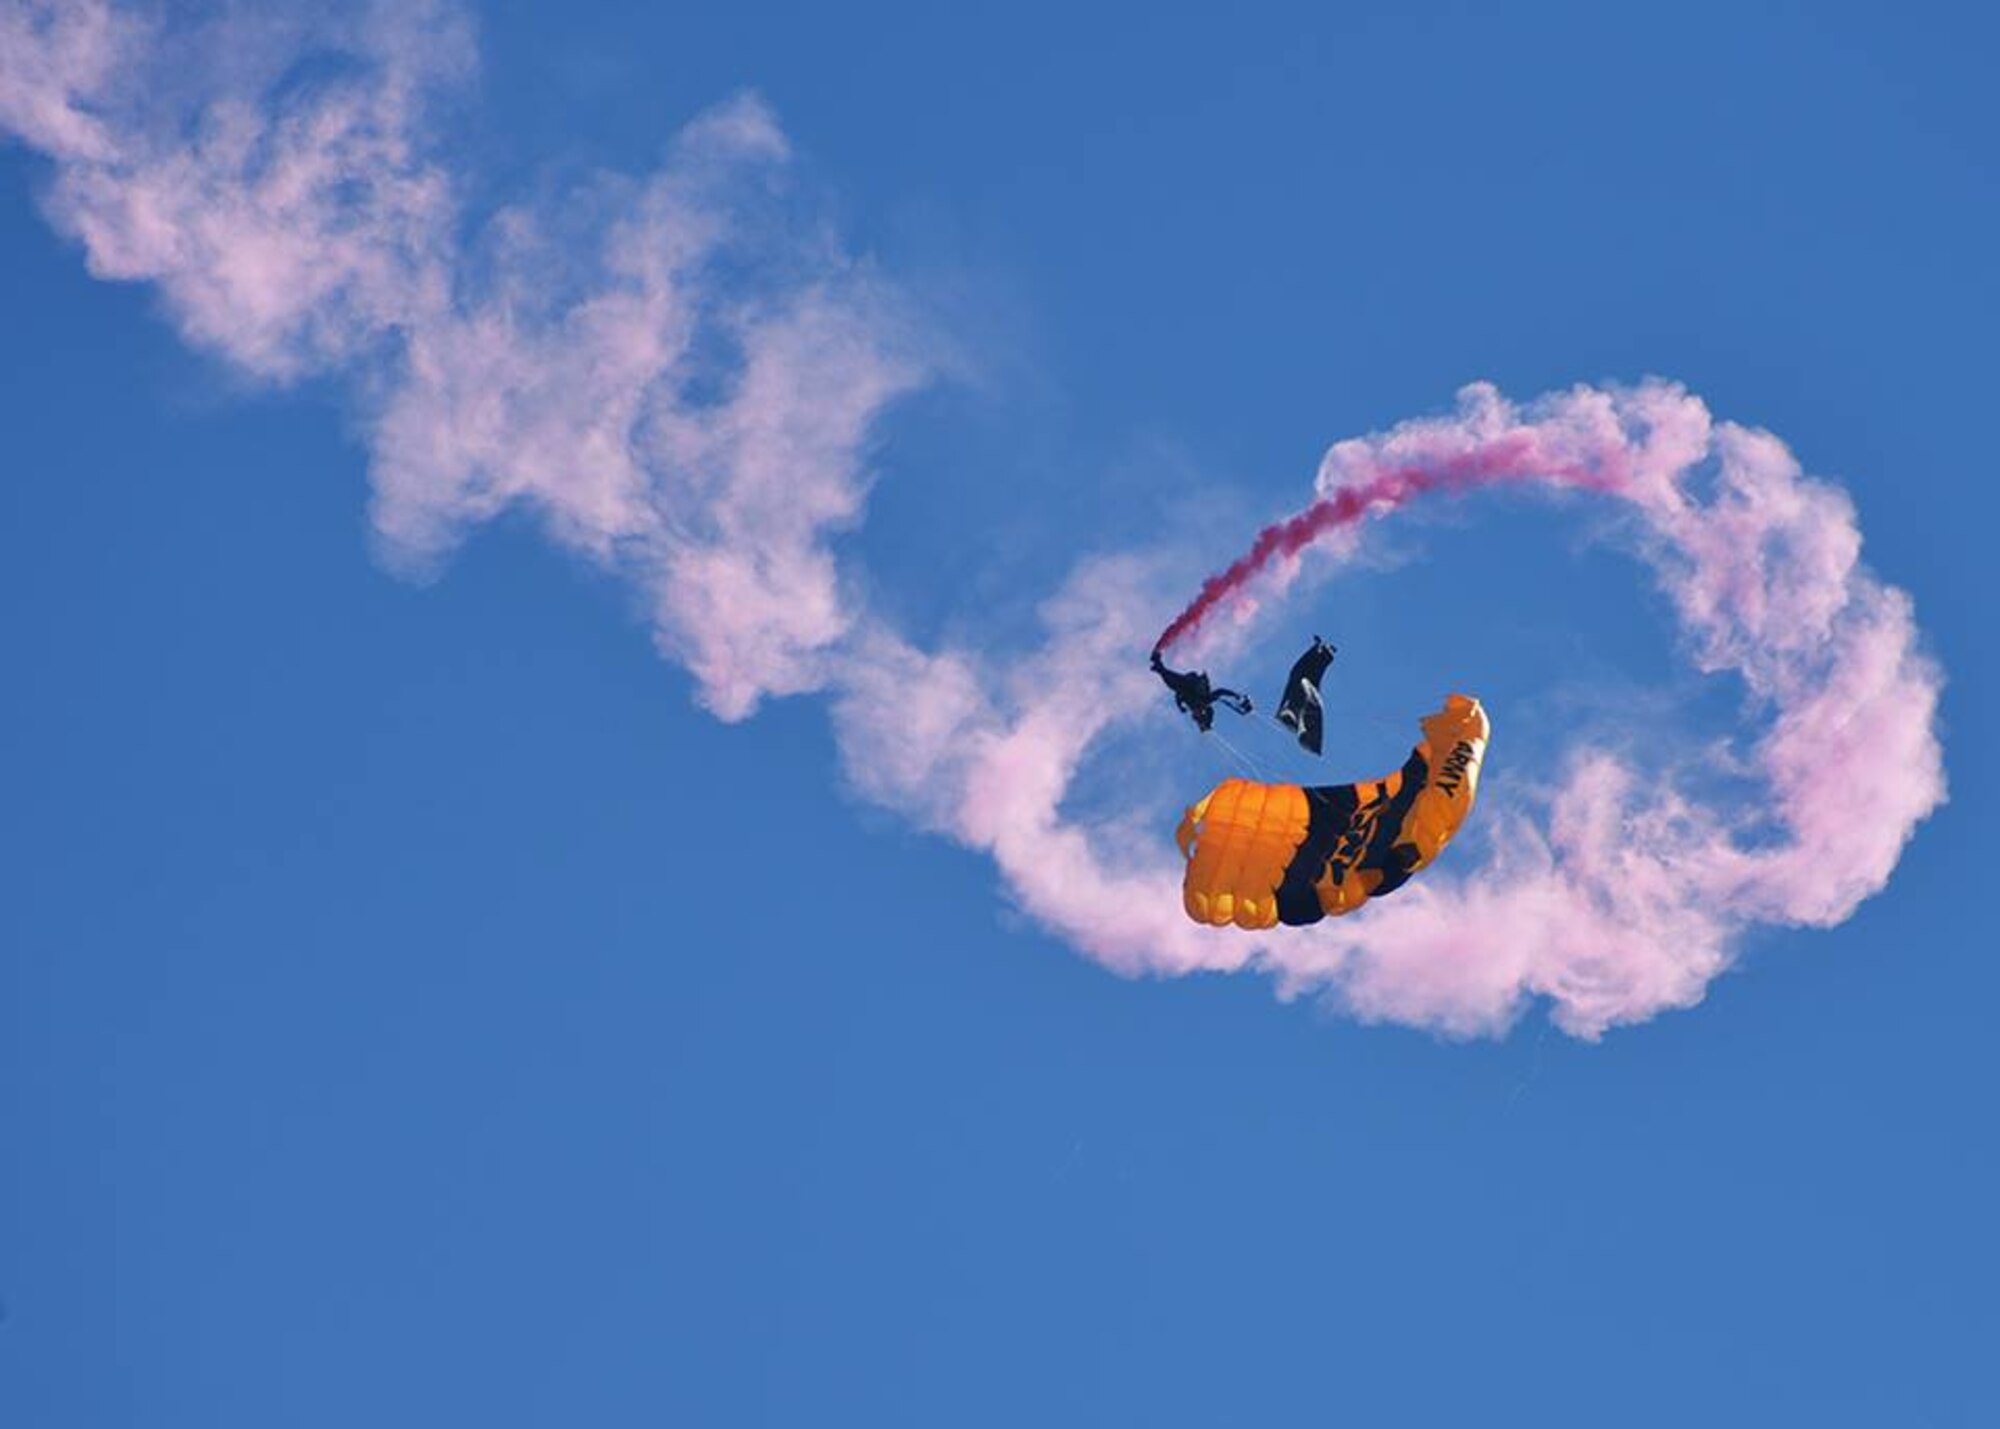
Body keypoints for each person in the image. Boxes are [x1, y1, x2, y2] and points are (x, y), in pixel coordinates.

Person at [1151, 648, 1253, 733]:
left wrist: (1180, 706)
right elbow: (1219, 693)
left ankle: (1158, 664)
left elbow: (1178, 696)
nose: (1195, 713)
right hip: (1189, 685)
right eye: (1198, 715)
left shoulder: (1194, 703)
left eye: (1195, 715)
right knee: (1170, 678)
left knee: (1170, 680)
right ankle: (1158, 664)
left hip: (1186, 686)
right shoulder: (1204, 703)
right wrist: (1237, 696)